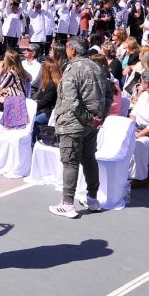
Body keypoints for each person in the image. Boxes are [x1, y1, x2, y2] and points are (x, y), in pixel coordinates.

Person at [49, 36, 108, 218]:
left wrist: (89, 118)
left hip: (73, 124)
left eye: (67, 47)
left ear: (73, 50)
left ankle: (67, 204)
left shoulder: (72, 69)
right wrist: (99, 118)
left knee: (70, 162)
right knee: (89, 160)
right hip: (91, 125)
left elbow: (71, 101)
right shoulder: (97, 67)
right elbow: (108, 95)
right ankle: (92, 198)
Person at [31, 58, 61, 144]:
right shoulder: (58, 81)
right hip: (52, 111)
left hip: (50, 113)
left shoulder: (52, 84)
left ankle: (34, 145)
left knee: (34, 122)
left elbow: (45, 101)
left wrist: (31, 107)